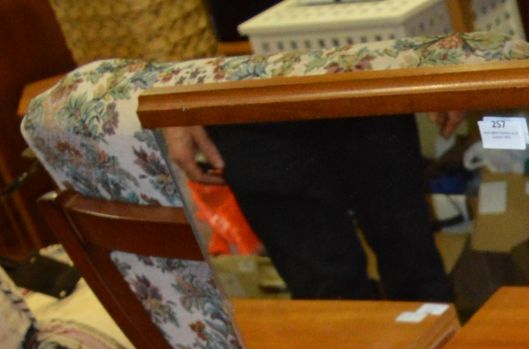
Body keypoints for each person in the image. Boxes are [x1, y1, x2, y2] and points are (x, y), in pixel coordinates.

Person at [163, 113, 456, 302]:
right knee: (327, 295)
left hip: (358, 75)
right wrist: (175, 105)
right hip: (246, 104)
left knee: (415, 270)